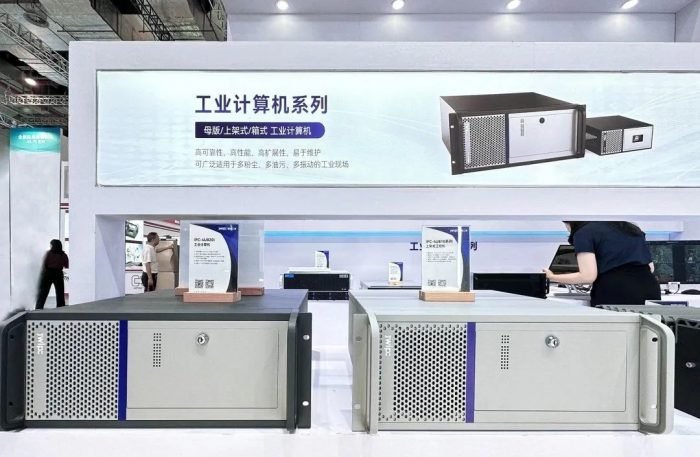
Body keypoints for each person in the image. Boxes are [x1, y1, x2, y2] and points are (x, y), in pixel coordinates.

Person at [544, 221, 661, 307]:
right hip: (649, 289)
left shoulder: (584, 232)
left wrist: (552, 277)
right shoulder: (629, 227)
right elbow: (650, 267)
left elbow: (588, 276)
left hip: (616, 291)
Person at [36, 239, 69, 309]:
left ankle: (38, 308)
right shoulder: (63, 255)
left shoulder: (48, 253)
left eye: (51, 245)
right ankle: (61, 309)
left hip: (48, 273)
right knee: (60, 292)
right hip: (58, 273)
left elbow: (44, 264)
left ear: (53, 245)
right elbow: (66, 265)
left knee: (43, 292)